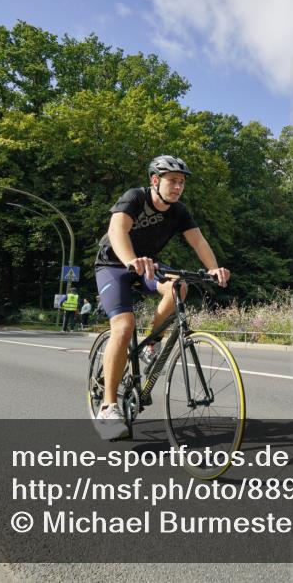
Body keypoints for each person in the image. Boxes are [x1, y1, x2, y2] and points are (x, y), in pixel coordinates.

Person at [92, 155, 229, 439]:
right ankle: (108, 406)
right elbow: (116, 230)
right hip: (114, 266)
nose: (178, 187)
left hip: (148, 266)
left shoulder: (179, 211)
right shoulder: (134, 198)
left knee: (179, 285)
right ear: (155, 181)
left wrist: (213, 268)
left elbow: (198, 241)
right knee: (124, 325)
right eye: (172, 181)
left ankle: (151, 342)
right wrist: (130, 259)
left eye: (181, 182)